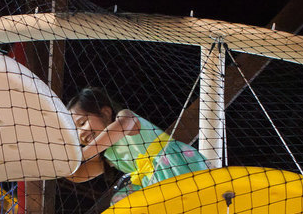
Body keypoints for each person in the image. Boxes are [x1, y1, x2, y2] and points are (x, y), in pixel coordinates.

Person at [66, 87, 209, 204]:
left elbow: (122, 126)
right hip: (151, 186)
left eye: (82, 123)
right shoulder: (107, 155)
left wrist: (81, 154)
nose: (81, 133)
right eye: (75, 132)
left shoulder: (125, 117)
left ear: (105, 112)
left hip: (173, 167)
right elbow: (77, 174)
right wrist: (55, 163)